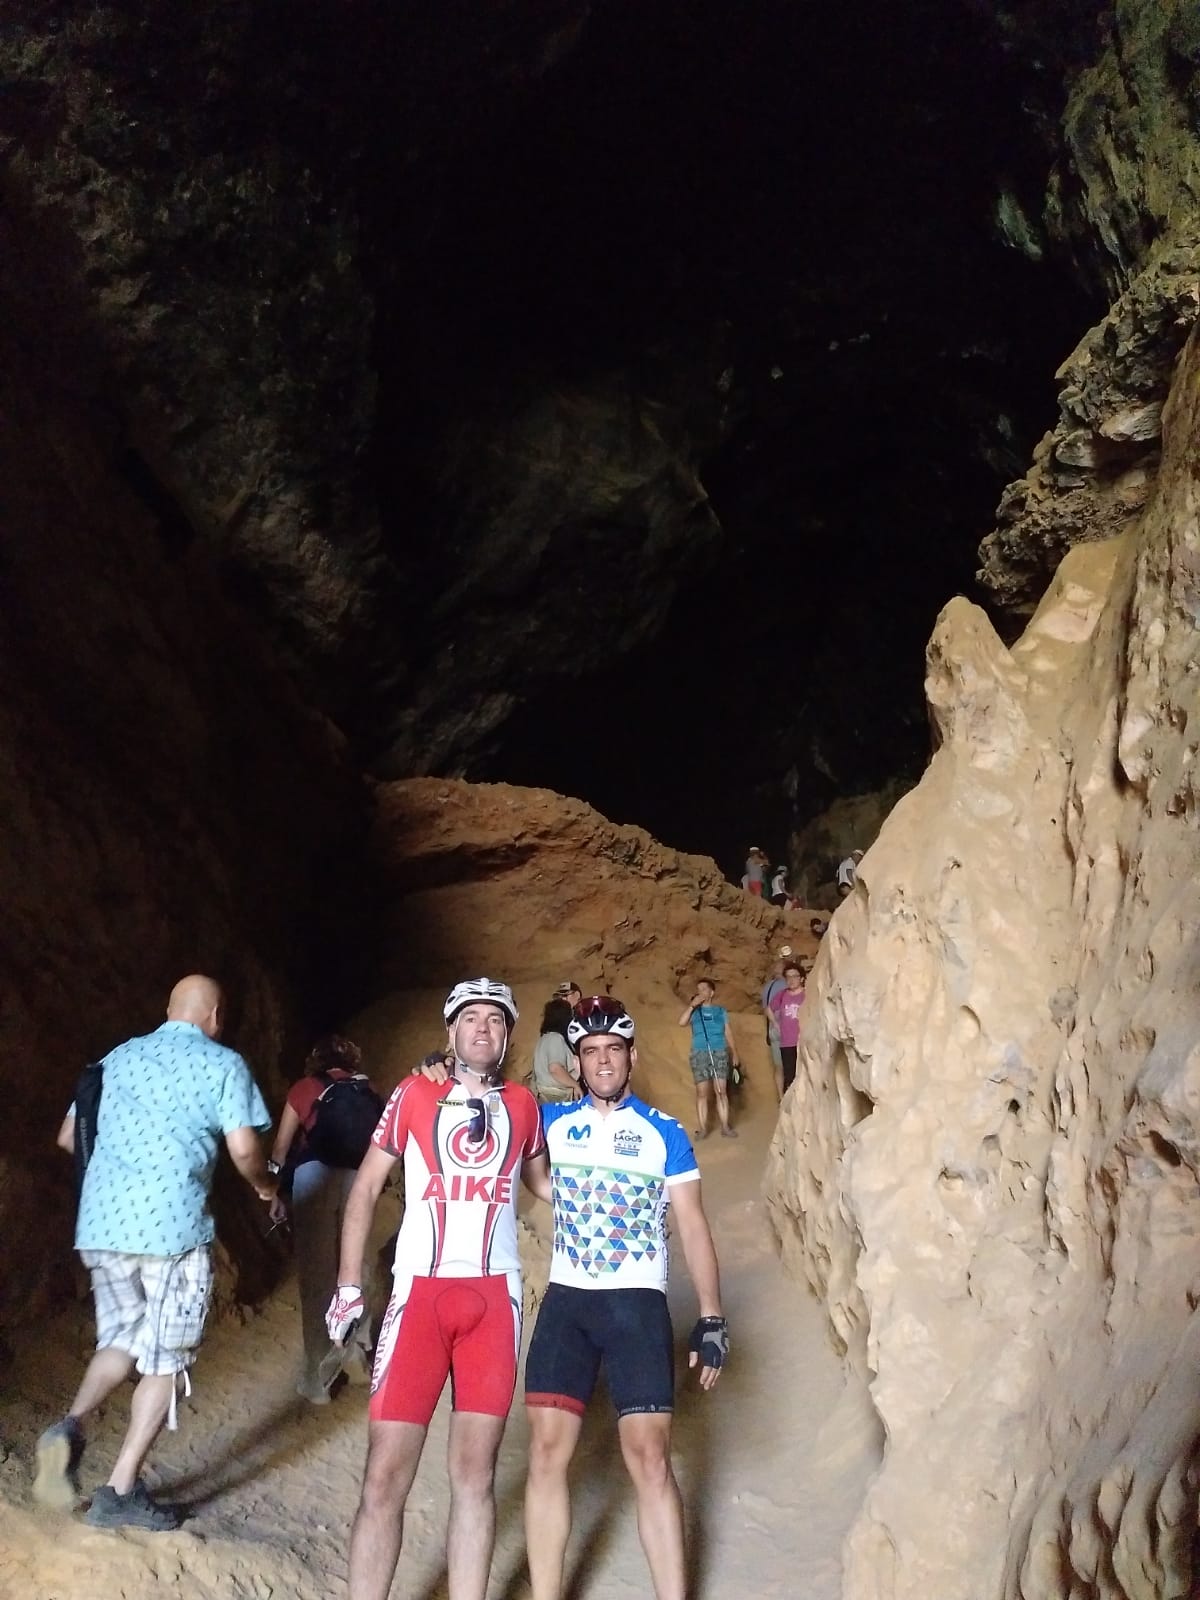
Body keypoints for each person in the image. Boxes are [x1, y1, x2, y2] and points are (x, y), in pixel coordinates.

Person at [326, 978, 549, 1600]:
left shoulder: (524, 1106)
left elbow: (544, 1185)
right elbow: (365, 1187)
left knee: (475, 1476)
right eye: (470, 1018)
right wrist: (348, 1285)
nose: (483, 1028)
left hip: (493, 1302)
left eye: (495, 1020)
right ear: (451, 1031)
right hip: (419, 1297)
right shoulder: (413, 1092)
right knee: (383, 1477)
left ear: (507, 1035)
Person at [38, 975, 278, 1530]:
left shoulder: (117, 1057)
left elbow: (68, 1137)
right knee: (167, 1359)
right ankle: (120, 1490)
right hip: (172, 1231)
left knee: (121, 1338)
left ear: (168, 1009)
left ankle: (70, 1426)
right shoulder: (222, 1063)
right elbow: (245, 1149)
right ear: (215, 1016)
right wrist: (266, 1186)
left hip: (103, 1225)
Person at [524, 996, 729, 1600]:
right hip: (568, 1304)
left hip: (636, 1307)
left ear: (631, 1056)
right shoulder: (551, 1123)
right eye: (591, 1052)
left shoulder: (664, 1132)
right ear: (577, 1062)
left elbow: (692, 1223)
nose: (604, 1061)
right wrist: (439, 1072)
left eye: (614, 1049)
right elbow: (503, 1134)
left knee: (650, 1458)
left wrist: (712, 1315)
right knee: (546, 1453)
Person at [269, 1034, 378, 1404]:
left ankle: (319, 1380)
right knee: (357, 1266)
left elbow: (281, 1149)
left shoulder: (304, 1088)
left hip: (314, 1176)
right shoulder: (366, 1090)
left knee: (317, 1276)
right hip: (358, 1178)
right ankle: (357, 1358)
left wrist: (276, 1191)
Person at [677, 978, 739, 1140]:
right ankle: (703, 1128)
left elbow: (728, 1032)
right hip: (700, 1052)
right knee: (702, 1093)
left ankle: (725, 1126)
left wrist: (735, 1053)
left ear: (712, 993)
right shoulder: (694, 1011)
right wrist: (692, 1006)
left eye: (704, 989)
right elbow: (681, 1022)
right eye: (699, 990)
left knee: (721, 1091)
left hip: (719, 1051)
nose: (701, 992)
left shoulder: (720, 1011)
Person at [768, 962, 807, 1094]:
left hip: (803, 1041)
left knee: (804, 1074)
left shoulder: (807, 994)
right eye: (788, 977)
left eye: (794, 976)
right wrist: (775, 1023)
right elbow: (769, 1009)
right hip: (787, 1042)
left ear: (802, 978)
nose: (791, 980)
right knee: (790, 1076)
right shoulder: (782, 994)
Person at [532, 998, 580, 1104]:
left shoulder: (544, 1039)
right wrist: (575, 1085)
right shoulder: (556, 1038)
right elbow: (555, 1069)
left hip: (544, 1096)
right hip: (557, 1098)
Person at [761, 947, 791, 1101]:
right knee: (791, 1064)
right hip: (787, 1028)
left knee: (778, 1067)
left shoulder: (767, 987)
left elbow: (765, 1009)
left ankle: (780, 1097)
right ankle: (791, 1095)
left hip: (773, 1029)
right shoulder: (786, 985)